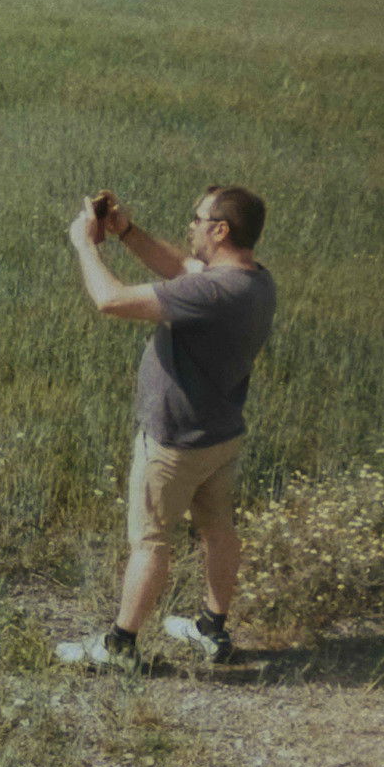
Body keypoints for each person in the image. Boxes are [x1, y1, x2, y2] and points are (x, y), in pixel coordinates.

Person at [57, 186, 277, 668]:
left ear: (221, 230)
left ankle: (119, 647)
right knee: (218, 531)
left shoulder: (212, 292)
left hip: (175, 441)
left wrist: (85, 244)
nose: (191, 226)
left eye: (198, 219)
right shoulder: (255, 281)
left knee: (150, 541)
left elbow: (110, 300)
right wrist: (125, 232)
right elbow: (181, 267)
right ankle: (212, 630)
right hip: (220, 435)